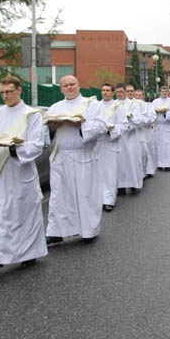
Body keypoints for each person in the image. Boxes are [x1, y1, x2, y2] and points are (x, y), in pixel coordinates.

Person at [0, 76, 48, 274]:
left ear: (19, 90)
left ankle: (28, 253)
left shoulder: (32, 115)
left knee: (22, 215)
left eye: (9, 91)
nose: (5, 96)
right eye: (2, 93)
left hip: (20, 171)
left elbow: (36, 144)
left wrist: (15, 149)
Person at [45, 75, 107, 244]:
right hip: (61, 155)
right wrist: (51, 129)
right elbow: (45, 135)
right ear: (61, 89)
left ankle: (88, 230)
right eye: (65, 85)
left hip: (82, 155)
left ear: (79, 86)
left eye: (72, 84)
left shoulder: (91, 105)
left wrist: (80, 125)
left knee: (85, 194)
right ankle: (56, 231)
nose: (69, 88)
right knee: (59, 196)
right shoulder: (55, 108)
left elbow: (101, 125)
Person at [92, 83, 126, 212]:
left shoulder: (118, 107)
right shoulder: (95, 106)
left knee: (110, 173)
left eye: (107, 90)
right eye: (103, 90)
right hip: (97, 144)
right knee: (97, 172)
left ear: (113, 93)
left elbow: (123, 125)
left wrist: (110, 130)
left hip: (111, 143)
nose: (105, 93)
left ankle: (109, 200)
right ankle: (98, 198)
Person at [116, 83, 145, 194]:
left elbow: (139, 120)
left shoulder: (133, 104)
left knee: (132, 159)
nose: (120, 94)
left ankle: (134, 184)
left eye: (122, 92)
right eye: (117, 92)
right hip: (118, 137)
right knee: (120, 161)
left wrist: (130, 117)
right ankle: (120, 186)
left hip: (131, 136)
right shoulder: (114, 104)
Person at [134, 89, 156, 179]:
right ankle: (141, 171)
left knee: (148, 150)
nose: (138, 97)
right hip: (136, 132)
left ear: (142, 96)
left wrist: (142, 121)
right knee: (139, 152)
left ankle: (149, 169)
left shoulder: (148, 106)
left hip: (146, 131)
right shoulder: (131, 105)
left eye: (140, 95)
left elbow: (152, 117)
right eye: (137, 95)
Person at [151, 87, 170, 171]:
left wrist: (165, 112)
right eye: (162, 91)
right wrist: (156, 112)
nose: (164, 93)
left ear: (168, 92)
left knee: (167, 146)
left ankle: (167, 164)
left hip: (167, 126)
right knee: (159, 145)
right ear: (160, 92)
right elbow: (150, 112)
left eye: (166, 91)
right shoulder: (155, 102)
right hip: (158, 126)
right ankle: (160, 164)